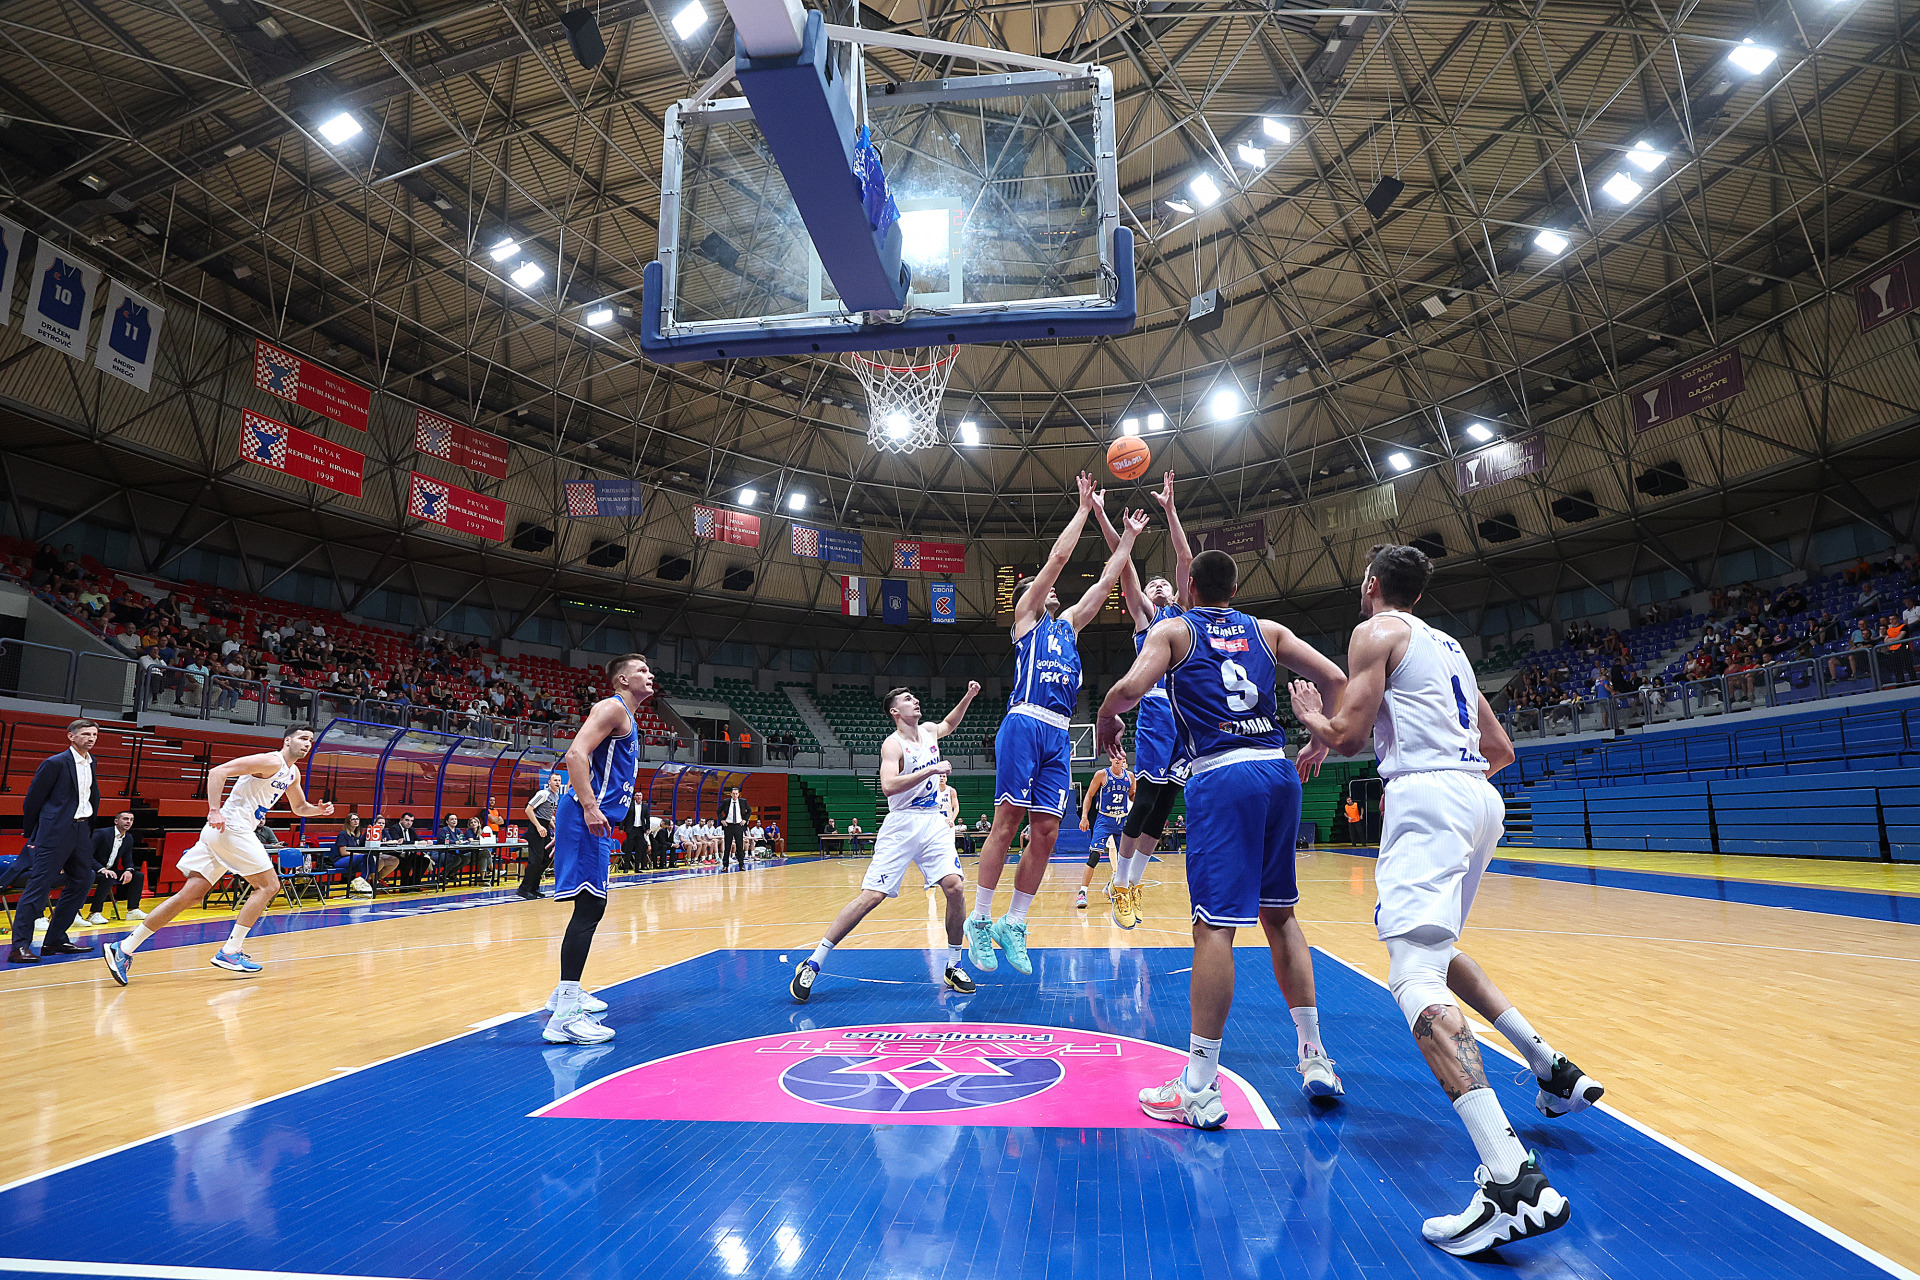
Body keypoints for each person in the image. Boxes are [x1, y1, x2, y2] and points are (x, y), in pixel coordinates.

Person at [1289, 543, 1599, 1256]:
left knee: (1415, 977)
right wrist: (1452, 783)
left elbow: (1350, 733)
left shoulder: (1375, 631)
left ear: (1371, 586)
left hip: (1429, 796)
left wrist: (1313, 717)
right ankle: (1548, 1066)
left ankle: (1510, 1178)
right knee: (1437, 952)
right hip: (1477, 796)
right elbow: (1502, 748)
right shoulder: (1448, 647)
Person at [1098, 548, 1350, 1127]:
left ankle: (1200, 1086)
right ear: (1235, 587)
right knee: (1280, 915)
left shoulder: (1173, 631)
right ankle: (1315, 1057)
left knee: (1214, 927)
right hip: (1278, 768)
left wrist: (1111, 717)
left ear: (1188, 584)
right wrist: (1320, 739)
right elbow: (1335, 678)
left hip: (1222, 773)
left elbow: (1129, 688)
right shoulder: (1268, 630)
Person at [968, 478, 1149, 977]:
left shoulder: (1069, 629)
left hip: (1059, 732)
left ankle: (1014, 923)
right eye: (1044, 590)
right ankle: (979, 920)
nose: (1051, 592)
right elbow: (1058, 561)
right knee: (1008, 823)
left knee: (1045, 832)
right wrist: (1085, 509)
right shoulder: (1026, 619)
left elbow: (1107, 582)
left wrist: (1129, 538)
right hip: (1024, 722)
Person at [790, 682, 982, 1003]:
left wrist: (969, 696)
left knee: (955, 887)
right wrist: (931, 769)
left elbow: (949, 724)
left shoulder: (931, 732)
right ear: (896, 712)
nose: (915, 701)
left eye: (914, 697)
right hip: (901, 823)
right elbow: (889, 786)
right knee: (871, 897)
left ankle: (952, 965)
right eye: (908, 699)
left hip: (933, 820)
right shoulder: (892, 746)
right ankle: (814, 961)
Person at [103, 727, 334, 983]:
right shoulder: (270, 761)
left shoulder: (292, 772)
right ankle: (231, 950)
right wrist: (214, 809)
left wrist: (318, 811)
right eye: (303, 738)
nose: (307, 744)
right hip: (231, 828)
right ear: (287, 740)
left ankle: (123, 948)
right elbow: (217, 771)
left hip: (223, 834)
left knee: (190, 895)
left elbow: (299, 807)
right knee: (269, 886)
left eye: (311, 740)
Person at [1093, 470, 1193, 928]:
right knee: (1147, 797)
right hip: (1154, 710)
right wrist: (1105, 516)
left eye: (1164, 585)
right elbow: (1126, 568)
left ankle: (1127, 884)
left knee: (1168, 802)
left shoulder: (1186, 618)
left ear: (1177, 594)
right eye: (1153, 586)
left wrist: (1172, 510)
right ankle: (1121, 879)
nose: (1158, 587)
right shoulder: (1147, 620)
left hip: (1188, 717)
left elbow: (1186, 560)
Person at [541, 653, 654, 1046]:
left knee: (590, 906)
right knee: (590, 907)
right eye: (641, 670)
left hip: (588, 821)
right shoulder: (612, 707)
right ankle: (565, 1015)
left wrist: (574, 821)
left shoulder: (627, 715)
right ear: (621, 679)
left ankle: (565, 992)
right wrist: (587, 809)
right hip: (590, 818)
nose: (649, 674)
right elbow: (575, 755)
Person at [8, 719, 105, 965]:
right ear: (71, 737)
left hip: (81, 831)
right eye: (85, 734)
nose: (91, 738)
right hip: (54, 833)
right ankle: (19, 946)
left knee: (84, 879)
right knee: (39, 885)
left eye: (94, 734)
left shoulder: (91, 763)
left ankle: (55, 939)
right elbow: (32, 799)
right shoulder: (55, 763)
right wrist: (32, 834)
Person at [1076, 748, 1134, 911]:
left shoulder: (1130, 777)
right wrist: (1084, 816)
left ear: (1124, 760)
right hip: (1104, 819)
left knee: (1125, 860)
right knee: (1094, 855)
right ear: (1110, 759)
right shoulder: (1102, 775)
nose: (1118, 759)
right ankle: (1082, 892)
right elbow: (1089, 795)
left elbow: (1131, 796)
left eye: (1121, 757)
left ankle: (1112, 887)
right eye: (1115, 757)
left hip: (1122, 820)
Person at [85, 811, 153, 925]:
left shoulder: (128, 838)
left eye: (131, 820)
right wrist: (101, 869)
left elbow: (127, 858)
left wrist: (128, 870)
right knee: (108, 877)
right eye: (125, 819)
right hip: (93, 871)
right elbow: (87, 855)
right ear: (116, 821)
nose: (128, 822)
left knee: (138, 876)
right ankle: (94, 912)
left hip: (110, 870)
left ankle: (133, 910)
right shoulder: (102, 834)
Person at [519, 773, 563, 899]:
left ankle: (533, 888)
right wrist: (538, 826)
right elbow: (528, 809)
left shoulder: (556, 796)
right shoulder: (543, 794)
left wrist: (554, 827)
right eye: (555, 780)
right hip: (535, 828)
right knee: (536, 860)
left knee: (546, 858)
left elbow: (547, 816)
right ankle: (524, 889)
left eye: (559, 780)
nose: (557, 782)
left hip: (544, 828)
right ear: (549, 782)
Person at [720, 785, 750, 871]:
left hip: (738, 825)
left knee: (740, 846)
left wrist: (745, 819)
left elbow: (749, 810)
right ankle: (725, 865)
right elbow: (719, 811)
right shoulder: (726, 801)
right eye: (733, 794)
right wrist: (722, 820)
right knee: (727, 846)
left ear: (739, 794)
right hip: (728, 825)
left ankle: (741, 865)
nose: (735, 795)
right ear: (730, 794)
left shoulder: (743, 801)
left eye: (736, 794)